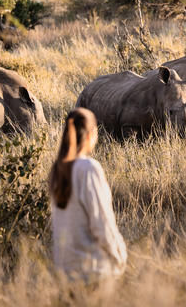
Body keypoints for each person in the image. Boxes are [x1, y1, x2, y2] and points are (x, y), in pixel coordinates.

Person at [49, 107, 127, 286]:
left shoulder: (57, 170)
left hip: (65, 271)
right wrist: (119, 255)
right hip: (93, 270)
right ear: (91, 134)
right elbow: (102, 223)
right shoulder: (88, 168)